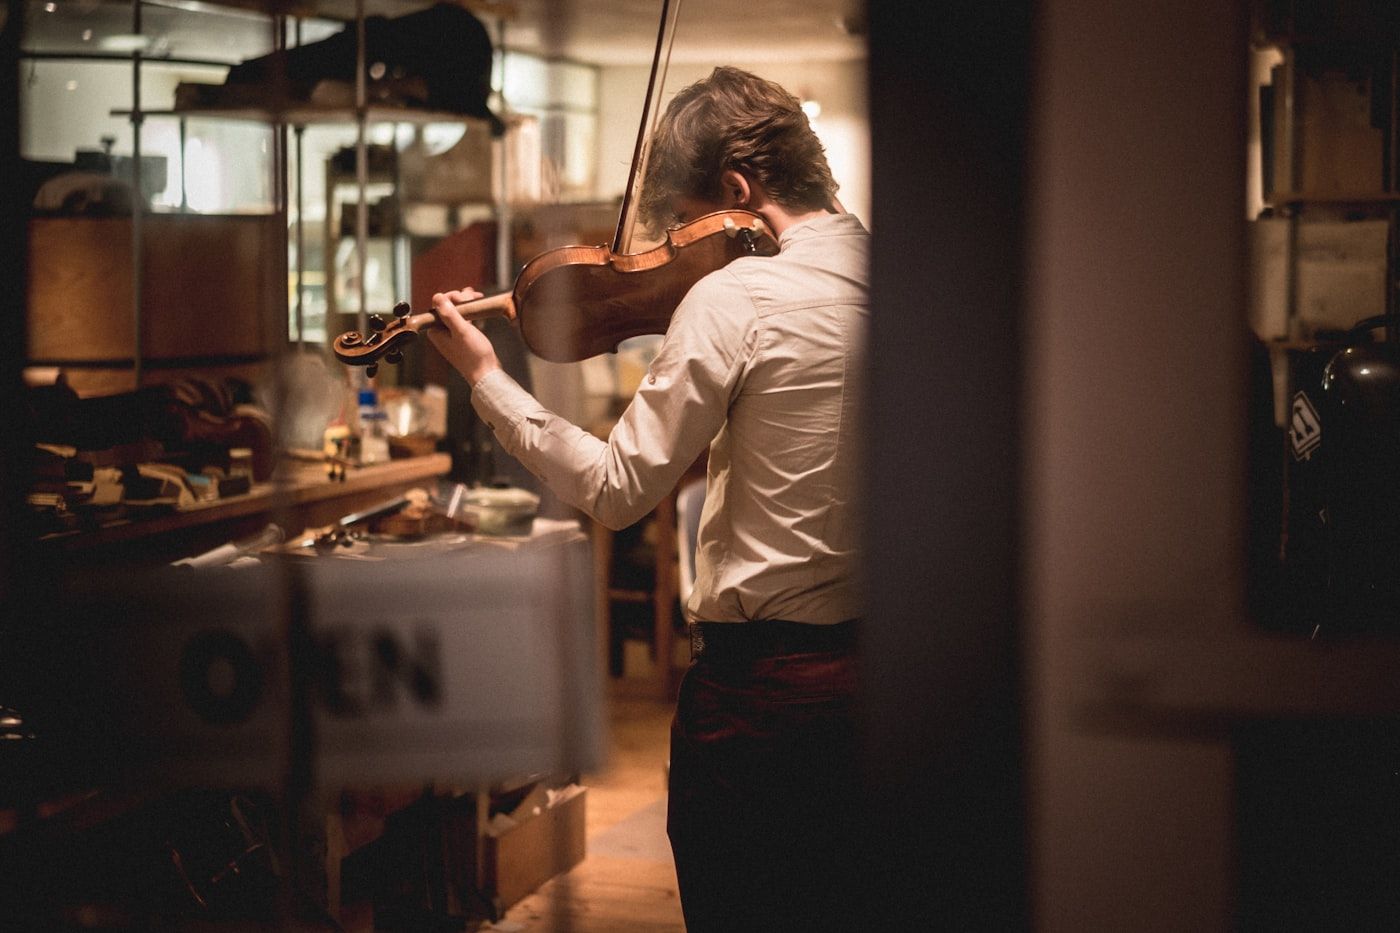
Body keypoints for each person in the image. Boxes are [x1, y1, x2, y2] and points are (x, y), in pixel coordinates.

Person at [427, 66, 868, 931]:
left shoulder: (736, 298)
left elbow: (619, 490)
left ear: (738, 190)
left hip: (759, 706)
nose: (676, 244)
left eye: (683, 221)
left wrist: (488, 378)